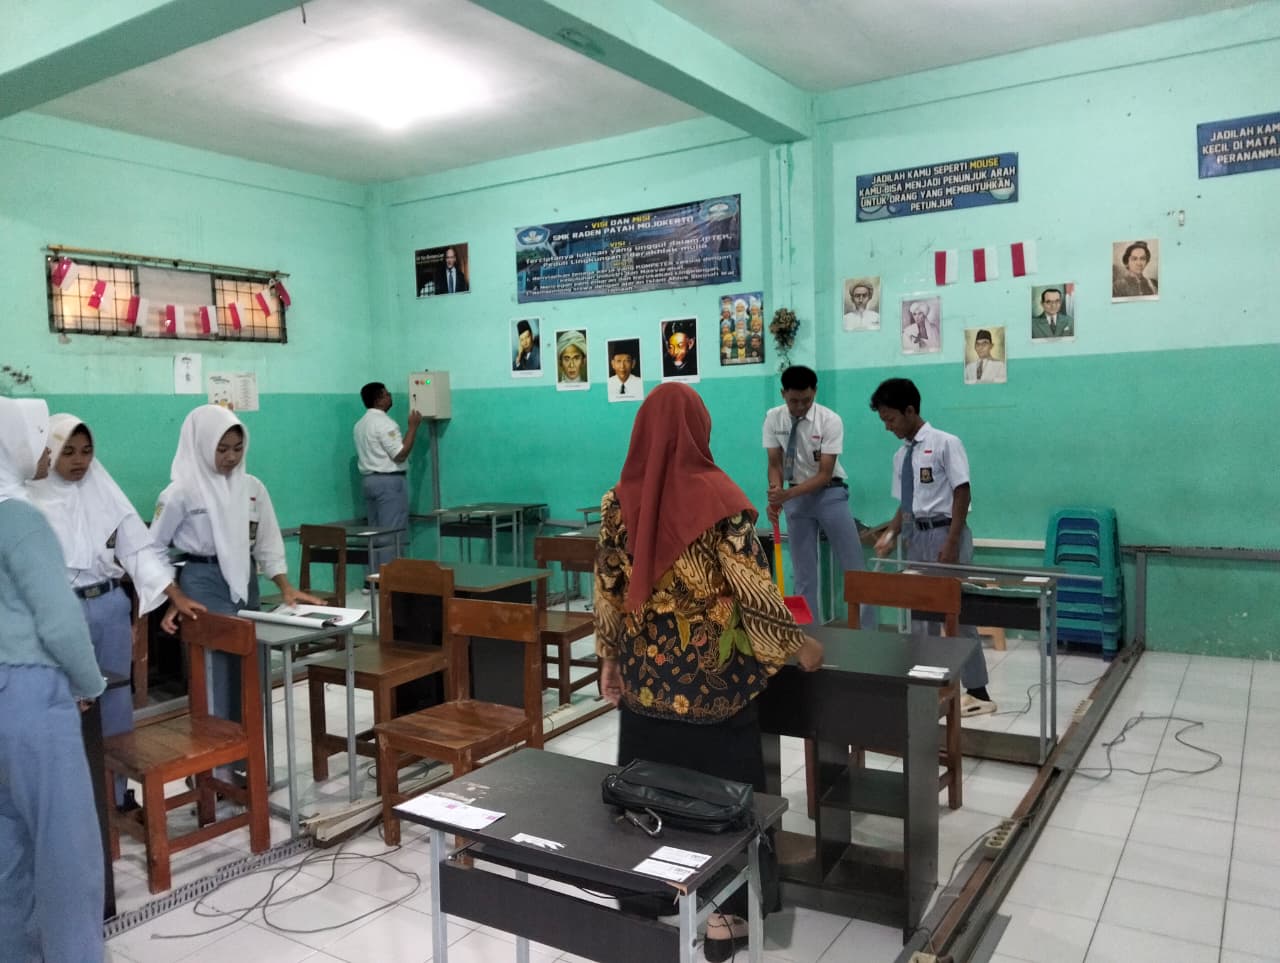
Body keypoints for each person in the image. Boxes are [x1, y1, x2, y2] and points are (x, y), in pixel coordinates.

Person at [595, 383, 823, 962]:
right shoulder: (721, 499)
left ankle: (644, 898)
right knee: (724, 800)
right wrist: (795, 644)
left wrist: (610, 659)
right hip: (713, 685)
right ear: (700, 430)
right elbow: (752, 587)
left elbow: (608, 588)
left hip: (646, 681)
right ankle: (726, 916)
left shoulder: (618, 501)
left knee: (645, 792)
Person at [27, 414, 206, 809]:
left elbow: (138, 550)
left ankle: (117, 794)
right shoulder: (29, 500)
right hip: (62, 611)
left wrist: (173, 594)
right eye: (68, 452)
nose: (79, 460)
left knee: (116, 700)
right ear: (50, 453)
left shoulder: (103, 492)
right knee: (68, 701)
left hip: (109, 605)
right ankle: (75, 800)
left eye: (86, 451)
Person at [0, 397, 107, 963]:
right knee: (67, 851)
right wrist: (89, 682)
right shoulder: (20, 518)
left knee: (6, 849)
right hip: (30, 697)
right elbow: (60, 621)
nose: (45, 451)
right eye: (38, 439)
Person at [153, 405, 321, 729]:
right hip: (202, 582)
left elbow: (267, 540)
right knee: (215, 667)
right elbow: (153, 549)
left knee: (249, 666)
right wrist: (174, 594)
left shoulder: (252, 488)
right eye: (222, 449)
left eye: (238, 448)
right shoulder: (179, 493)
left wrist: (285, 587)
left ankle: (249, 749)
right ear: (202, 445)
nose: (231, 457)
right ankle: (217, 751)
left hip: (245, 580)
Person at [868, 378, 996, 716]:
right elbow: (906, 503)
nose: (887, 427)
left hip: (945, 533)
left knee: (957, 614)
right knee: (920, 616)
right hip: (917, 536)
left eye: (890, 419)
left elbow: (961, 491)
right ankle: (929, 685)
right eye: (883, 420)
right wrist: (891, 534)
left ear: (910, 410)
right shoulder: (901, 455)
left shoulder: (945, 443)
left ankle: (978, 692)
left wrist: (952, 542)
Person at [764, 365, 871, 625]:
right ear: (783, 393)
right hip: (795, 497)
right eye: (793, 401)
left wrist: (785, 495)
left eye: (806, 400)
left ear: (815, 392)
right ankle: (808, 635)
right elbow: (775, 463)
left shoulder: (830, 420)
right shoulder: (773, 418)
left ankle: (868, 631)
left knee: (854, 568)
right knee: (803, 573)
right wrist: (776, 492)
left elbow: (824, 474)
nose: (800, 407)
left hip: (830, 494)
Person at [355, 382, 422, 577]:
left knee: (375, 533)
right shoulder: (385, 423)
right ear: (379, 400)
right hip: (389, 483)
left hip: (369, 481)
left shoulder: (360, 425)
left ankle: (373, 579)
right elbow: (399, 455)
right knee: (392, 533)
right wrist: (413, 427)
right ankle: (389, 580)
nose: (390, 397)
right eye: (387, 394)